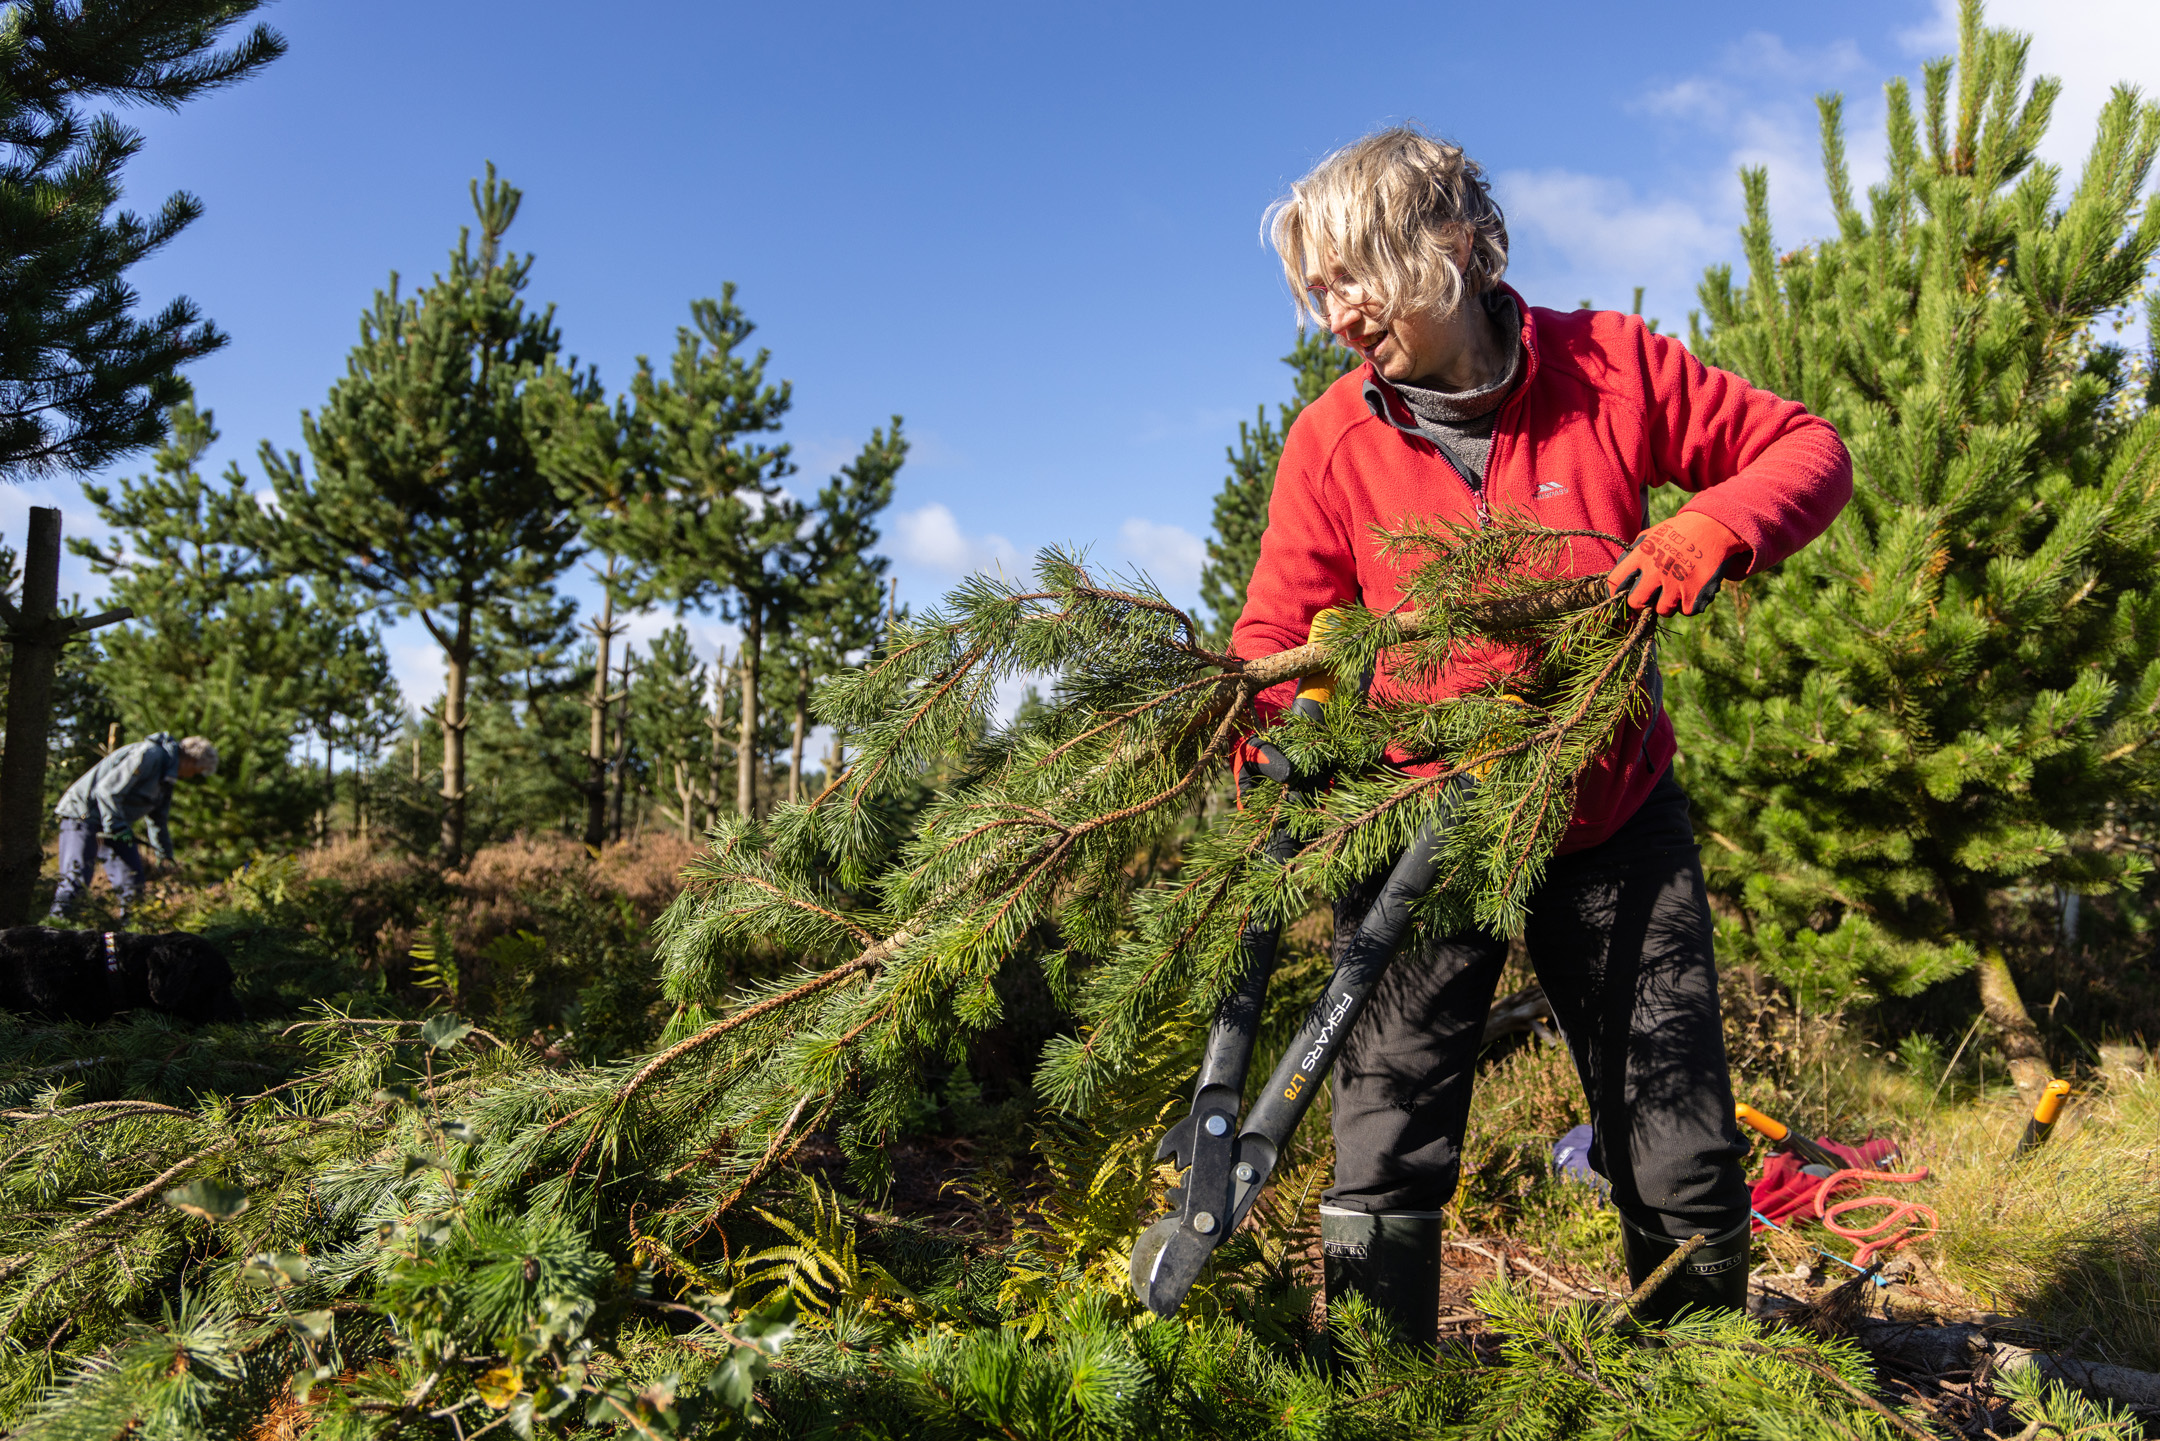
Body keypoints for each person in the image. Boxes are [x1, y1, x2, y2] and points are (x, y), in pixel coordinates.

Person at [1232, 127, 1851, 1334]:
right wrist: (1274, 741)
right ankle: (1378, 1392)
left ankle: (1705, 1381)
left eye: (1355, 277)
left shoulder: (1611, 367)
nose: (1336, 314)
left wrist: (1713, 526)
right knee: (1387, 1134)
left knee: (1678, 1144)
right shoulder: (1331, 442)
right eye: (1318, 291)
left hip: (1611, 819)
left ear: (1452, 244)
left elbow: (1807, 447)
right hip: (1423, 824)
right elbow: (1280, 636)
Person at [50, 733, 219, 923]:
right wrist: (116, 826)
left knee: (132, 882)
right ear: (190, 760)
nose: (192, 776)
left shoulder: (168, 776)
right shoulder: (150, 755)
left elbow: (158, 819)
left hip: (113, 824)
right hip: (83, 815)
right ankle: (56, 928)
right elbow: (107, 791)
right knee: (76, 880)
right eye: (196, 771)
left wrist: (164, 855)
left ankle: (130, 931)